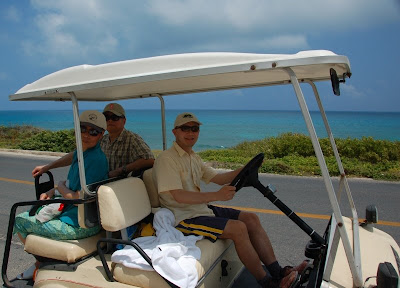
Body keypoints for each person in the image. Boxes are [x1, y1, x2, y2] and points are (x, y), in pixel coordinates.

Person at [152, 112, 307, 288]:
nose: (190, 133)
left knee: (251, 219)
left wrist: (246, 168)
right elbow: (178, 196)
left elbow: (219, 178)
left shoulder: (193, 157)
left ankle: (278, 272)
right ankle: (268, 283)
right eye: (185, 128)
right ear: (175, 132)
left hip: (200, 209)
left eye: (194, 129)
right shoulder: (167, 159)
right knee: (238, 228)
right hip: (183, 217)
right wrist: (217, 195)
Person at [14, 110, 109, 279]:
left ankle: (40, 264)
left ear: (101, 135)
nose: (87, 135)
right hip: (76, 215)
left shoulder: (95, 160)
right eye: (83, 129)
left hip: (80, 224)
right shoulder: (83, 153)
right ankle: (42, 263)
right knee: (34, 212)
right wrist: (47, 172)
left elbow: (77, 198)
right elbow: (71, 158)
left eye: (93, 132)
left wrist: (59, 187)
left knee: (20, 221)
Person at [32, 103, 154, 179]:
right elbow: (77, 155)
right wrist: (47, 167)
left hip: (121, 185)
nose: (110, 121)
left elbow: (149, 159)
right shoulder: (103, 139)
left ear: (124, 121)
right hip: (101, 182)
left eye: (115, 118)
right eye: (106, 117)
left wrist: (120, 170)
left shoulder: (132, 139)